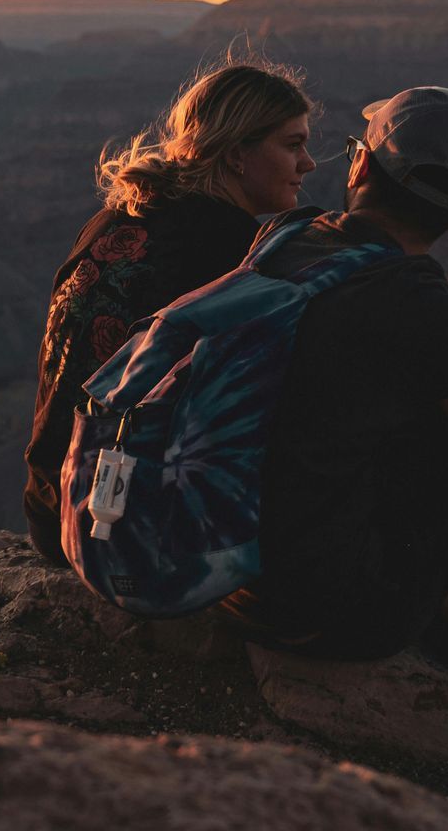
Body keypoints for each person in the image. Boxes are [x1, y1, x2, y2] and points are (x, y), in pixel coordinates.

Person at [215, 85, 448, 701]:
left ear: (361, 164)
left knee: (442, 402)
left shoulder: (290, 236)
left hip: (225, 579)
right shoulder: (422, 313)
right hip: (323, 619)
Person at [23, 60, 318, 566]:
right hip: (127, 534)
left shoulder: (115, 217)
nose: (309, 163)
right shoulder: (232, 254)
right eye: (292, 145)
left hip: (55, 512)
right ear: (237, 154)